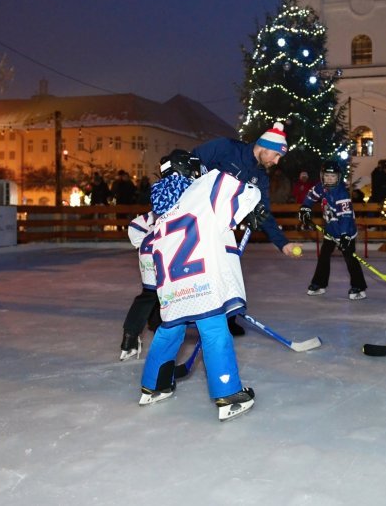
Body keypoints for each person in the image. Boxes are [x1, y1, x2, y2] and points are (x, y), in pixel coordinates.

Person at [137, 149, 267, 421]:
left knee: (168, 331)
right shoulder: (204, 188)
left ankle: (153, 386)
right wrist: (251, 208)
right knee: (215, 331)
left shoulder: (161, 212)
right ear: (189, 169)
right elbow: (247, 191)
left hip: (171, 286)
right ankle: (228, 395)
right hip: (202, 282)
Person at [192, 122, 301, 336]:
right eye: (276, 156)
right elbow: (191, 161)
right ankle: (162, 314)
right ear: (263, 147)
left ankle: (228, 318)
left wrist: (283, 244)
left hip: (222, 228)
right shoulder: (226, 147)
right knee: (185, 270)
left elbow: (264, 212)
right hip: (196, 219)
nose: (276, 161)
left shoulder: (260, 177)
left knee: (229, 271)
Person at [119, 151, 203, 362]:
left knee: (150, 295)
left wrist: (143, 245)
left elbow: (136, 225)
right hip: (168, 250)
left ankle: (130, 338)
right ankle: (173, 333)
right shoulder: (186, 190)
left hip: (149, 249)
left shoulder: (160, 191)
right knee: (179, 293)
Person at [299, 161, 368, 300]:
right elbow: (311, 196)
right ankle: (319, 284)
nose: (330, 179)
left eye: (333, 176)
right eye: (327, 176)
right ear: (322, 176)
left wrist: (345, 236)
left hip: (346, 231)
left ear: (338, 177)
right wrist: (305, 208)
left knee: (350, 259)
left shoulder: (341, 194)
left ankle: (359, 286)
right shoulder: (321, 188)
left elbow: (346, 218)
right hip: (330, 230)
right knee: (324, 256)